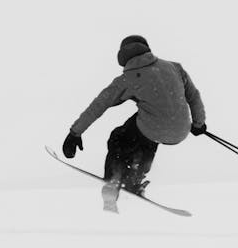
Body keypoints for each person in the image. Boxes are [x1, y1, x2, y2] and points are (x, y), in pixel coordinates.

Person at [61, 35, 206, 212]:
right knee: (147, 131)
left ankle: (113, 183)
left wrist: (75, 133)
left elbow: (99, 105)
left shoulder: (128, 78)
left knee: (119, 138)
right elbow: (194, 96)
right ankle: (136, 176)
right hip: (181, 129)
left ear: (122, 56)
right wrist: (199, 123)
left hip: (154, 127)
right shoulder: (174, 67)